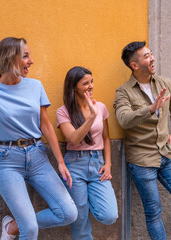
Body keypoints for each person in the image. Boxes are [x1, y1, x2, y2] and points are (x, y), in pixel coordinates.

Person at [0, 37, 78, 240]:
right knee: (30, 229)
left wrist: (59, 162)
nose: (31, 61)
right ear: (9, 59)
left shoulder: (35, 86)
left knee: (69, 213)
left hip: (38, 157)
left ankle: (12, 227)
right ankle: (23, 225)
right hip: (8, 161)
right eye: (25, 56)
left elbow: (46, 126)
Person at [113, 41, 171, 239]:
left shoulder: (164, 83)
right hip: (142, 161)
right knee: (153, 212)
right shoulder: (123, 92)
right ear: (134, 65)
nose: (153, 58)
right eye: (147, 56)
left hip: (167, 154)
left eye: (151, 54)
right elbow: (124, 119)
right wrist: (150, 109)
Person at [56, 66, 118, 240]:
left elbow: (106, 138)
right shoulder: (63, 112)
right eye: (85, 83)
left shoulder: (101, 107)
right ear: (74, 87)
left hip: (98, 164)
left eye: (91, 82)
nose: (91, 86)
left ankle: (88, 199)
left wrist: (108, 164)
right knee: (80, 219)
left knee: (109, 215)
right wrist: (91, 116)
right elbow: (74, 139)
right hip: (74, 166)